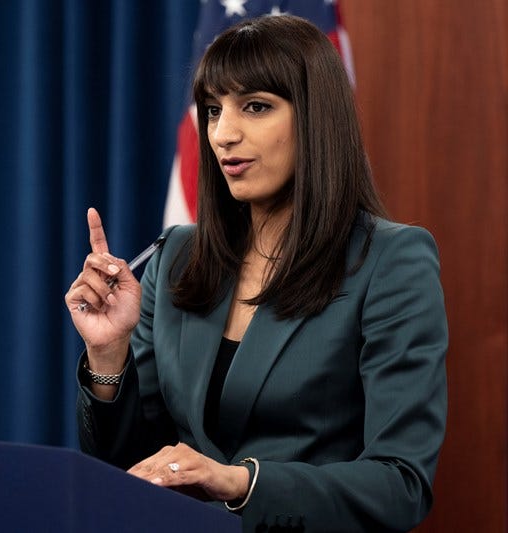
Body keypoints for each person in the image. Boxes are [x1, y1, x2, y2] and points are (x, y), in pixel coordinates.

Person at [64, 14, 447, 533]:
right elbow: (129, 467)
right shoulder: (177, 256)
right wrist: (109, 356)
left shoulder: (392, 261)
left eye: (256, 106)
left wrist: (242, 483)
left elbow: (401, 485)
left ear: (314, 117)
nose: (223, 134)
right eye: (213, 110)